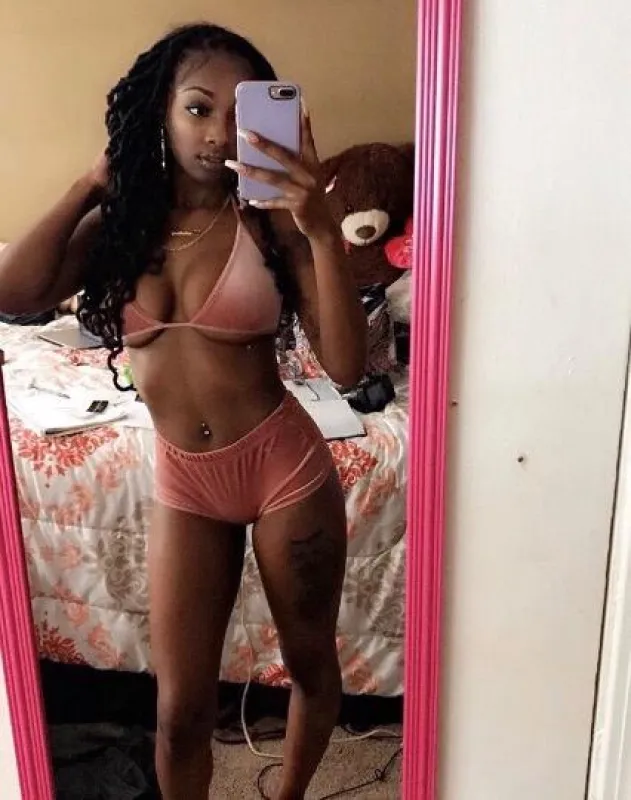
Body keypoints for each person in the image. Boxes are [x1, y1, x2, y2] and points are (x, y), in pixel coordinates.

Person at [0, 23, 367, 800]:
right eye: (198, 108)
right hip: (185, 481)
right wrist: (89, 185)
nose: (219, 133)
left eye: (239, 112)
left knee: (309, 665)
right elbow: (14, 292)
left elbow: (344, 366)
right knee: (177, 712)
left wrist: (320, 232)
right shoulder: (122, 229)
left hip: (282, 469)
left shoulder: (270, 223)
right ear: (159, 114)